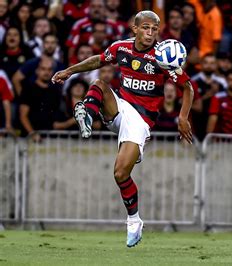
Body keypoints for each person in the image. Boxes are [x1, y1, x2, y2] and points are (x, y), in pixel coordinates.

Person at [51, 11, 194, 248]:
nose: (150, 33)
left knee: (120, 174)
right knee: (98, 83)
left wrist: (182, 117)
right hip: (121, 107)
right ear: (134, 28)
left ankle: (134, 221)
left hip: (141, 121)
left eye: (155, 29)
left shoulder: (162, 57)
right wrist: (69, 71)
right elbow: (98, 60)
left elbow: (187, 87)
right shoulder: (121, 48)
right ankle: (86, 114)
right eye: (146, 28)